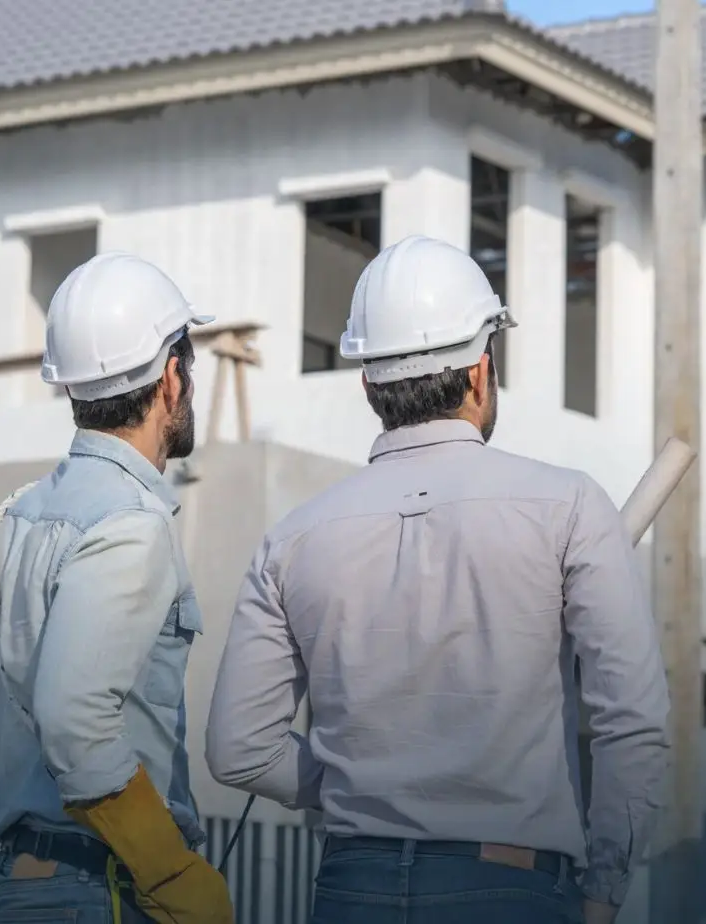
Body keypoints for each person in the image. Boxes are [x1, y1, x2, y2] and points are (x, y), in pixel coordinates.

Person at [205, 235, 671, 924]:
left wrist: (347, 781)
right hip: (510, 888)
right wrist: (602, 893)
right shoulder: (569, 507)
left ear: (369, 385)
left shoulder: (292, 540)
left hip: (349, 888)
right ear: (482, 372)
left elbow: (238, 751)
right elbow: (632, 724)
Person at [0, 252, 235, 924]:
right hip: (100, 888)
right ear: (171, 379)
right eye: (186, 370)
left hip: (16, 883)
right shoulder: (132, 522)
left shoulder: (18, 513)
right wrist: (167, 866)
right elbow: (75, 717)